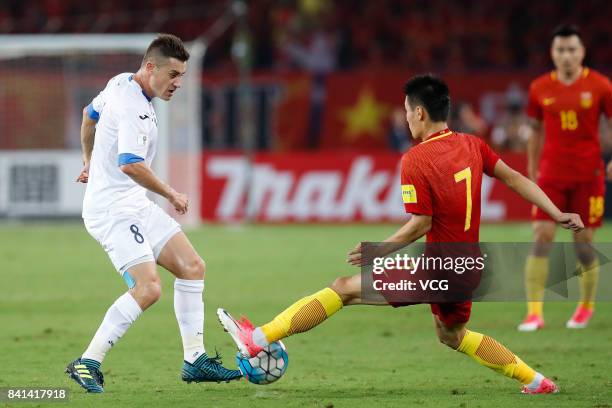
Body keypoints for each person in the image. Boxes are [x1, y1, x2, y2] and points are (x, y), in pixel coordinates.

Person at [218, 74, 583, 394]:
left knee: (343, 288)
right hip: (469, 267)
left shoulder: (416, 159)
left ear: (420, 113)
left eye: (407, 111)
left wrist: (380, 250)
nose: (405, 118)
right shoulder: (473, 145)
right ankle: (536, 381)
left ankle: (258, 338)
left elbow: (421, 223)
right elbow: (516, 178)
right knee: (451, 335)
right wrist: (555, 212)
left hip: (439, 268)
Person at [66, 34, 241, 393]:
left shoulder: (119, 83)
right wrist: (172, 193)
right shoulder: (135, 108)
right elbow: (130, 164)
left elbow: (89, 115)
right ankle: (88, 362)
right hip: (112, 211)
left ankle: (195, 360)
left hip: (133, 203)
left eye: (181, 75)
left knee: (193, 266)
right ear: (150, 67)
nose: (178, 83)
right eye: (173, 74)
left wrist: (88, 159)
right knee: (148, 288)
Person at [518, 24, 612, 332]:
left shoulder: (600, 86)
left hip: (589, 174)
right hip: (552, 174)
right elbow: (534, 130)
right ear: (553, 53)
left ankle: (585, 306)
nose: (567, 56)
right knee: (541, 238)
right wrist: (532, 168)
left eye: (572, 50)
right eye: (561, 50)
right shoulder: (539, 88)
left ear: (582, 52)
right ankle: (534, 313)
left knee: (583, 245)